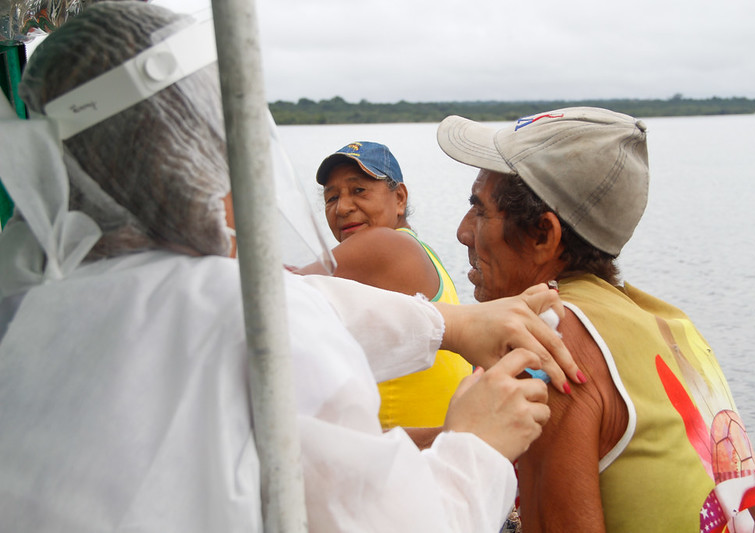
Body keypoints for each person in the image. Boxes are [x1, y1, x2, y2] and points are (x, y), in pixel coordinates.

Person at [0, 4, 581, 532]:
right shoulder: (236, 314)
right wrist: (475, 445)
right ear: (203, 152)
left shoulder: (29, 310)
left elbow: (289, 300)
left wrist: (451, 326)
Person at [436, 107, 755, 532]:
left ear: (543, 235)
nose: (464, 232)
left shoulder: (552, 340)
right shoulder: (665, 320)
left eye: (479, 211)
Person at [308, 141, 486, 439]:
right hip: (432, 453)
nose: (342, 208)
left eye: (359, 191)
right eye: (331, 198)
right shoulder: (422, 251)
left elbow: (273, 290)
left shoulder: (385, 245)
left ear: (400, 198)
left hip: (403, 469)